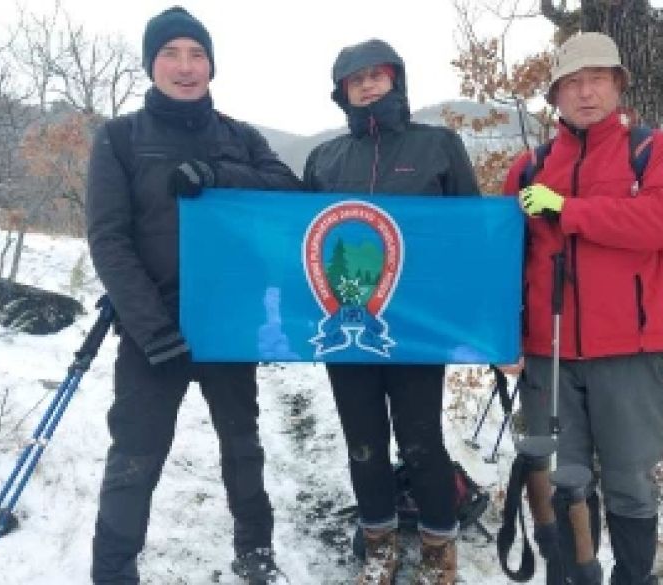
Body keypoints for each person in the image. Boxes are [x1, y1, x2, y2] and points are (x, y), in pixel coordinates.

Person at [85, 6, 301, 584]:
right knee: (135, 457)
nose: (185, 67)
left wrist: (216, 174)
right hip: (152, 330)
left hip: (230, 323)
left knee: (243, 449)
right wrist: (153, 330)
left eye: (197, 54)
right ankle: (112, 571)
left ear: (212, 65)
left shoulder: (241, 137)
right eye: (171, 54)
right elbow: (108, 240)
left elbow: (288, 194)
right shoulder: (119, 139)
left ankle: (255, 554)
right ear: (151, 65)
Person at [501, 32, 663, 584]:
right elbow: (502, 258)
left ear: (618, 86)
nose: (587, 93)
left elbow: (661, 222)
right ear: (556, 96)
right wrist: (501, 337)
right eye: (574, 83)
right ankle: (567, 576)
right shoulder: (529, 168)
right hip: (547, 352)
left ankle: (633, 578)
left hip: (629, 351)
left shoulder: (655, 151)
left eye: (598, 80)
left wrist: (570, 209)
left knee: (631, 480)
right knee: (565, 480)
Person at [303, 39, 480, 585]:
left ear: (395, 80)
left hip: (419, 330)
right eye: (355, 80)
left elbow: (471, 232)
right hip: (344, 330)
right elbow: (297, 237)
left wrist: (473, 319)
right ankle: (378, 542)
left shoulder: (439, 146)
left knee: (422, 441)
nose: (367, 85)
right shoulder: (325, 159)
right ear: (342, 93)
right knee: (363, 442)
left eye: (376, 75)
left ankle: (437, 550)